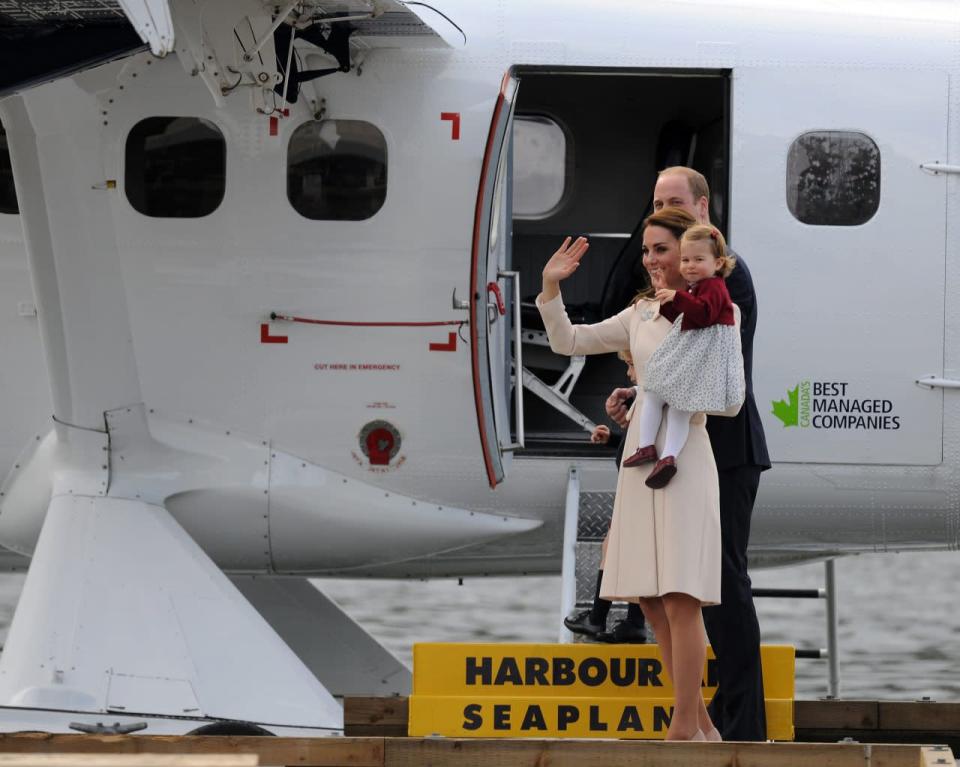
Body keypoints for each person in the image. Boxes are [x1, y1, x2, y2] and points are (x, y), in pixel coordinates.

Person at [538, 207, 725, 741]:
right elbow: (568, 341)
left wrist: (652, 390)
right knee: (647, 595)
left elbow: (715, 392)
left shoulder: (709, 309)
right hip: (641, 460)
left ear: (690, 256)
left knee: (681, 595)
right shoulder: (640, 312)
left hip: (684, 457)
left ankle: (684, 724)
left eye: (661, 250)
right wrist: (550, 289)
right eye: (646, 251)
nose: (652, 260)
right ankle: (701, 723)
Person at [606, 167, 771, 742]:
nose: (665, 211)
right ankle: (703, 721)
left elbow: (714, 358)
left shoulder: (723, 275)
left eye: (675, 203)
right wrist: (638, 388)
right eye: (656, 202)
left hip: (722, 449)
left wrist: (655, 384)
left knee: (722, 584)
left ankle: (743, 726)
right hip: (678, 446)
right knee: (668, 590)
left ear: (701, 209)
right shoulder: (661, 281)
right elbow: (664, 361)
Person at [622, 225, 745, 489]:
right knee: (675, 407)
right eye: (685, 260)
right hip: (695, 354)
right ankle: (664, 456)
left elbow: (704, 314)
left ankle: (651, 449)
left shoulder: (714, 286)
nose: (690, 266)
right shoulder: (697, 287)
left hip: (699, 356)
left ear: (718, 263)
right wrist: (669, 300)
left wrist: (677, 296)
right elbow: (683, 318)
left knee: (656, 393)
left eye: (698, 260)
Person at [564, 351, 648, 644]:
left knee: (615, 551)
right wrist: (612, 438)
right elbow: (637, 441)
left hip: (640, 488)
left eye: (630, 365)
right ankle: (627, 620)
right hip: (636, 486)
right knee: (619, 551)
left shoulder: (649, 397)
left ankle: (601, 618)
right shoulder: (644, 400)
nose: (628, 373)